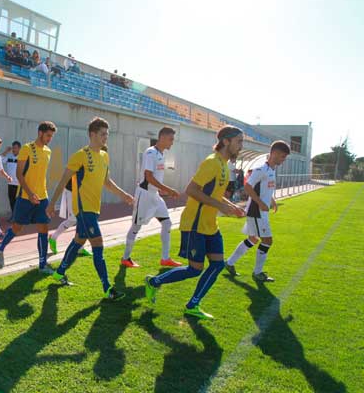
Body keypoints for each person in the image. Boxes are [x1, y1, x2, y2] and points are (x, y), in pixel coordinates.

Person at [145, 126, 246, 320]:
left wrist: (231, 206)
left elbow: (213, 194)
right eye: (239, 141)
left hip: (209, 224)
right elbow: (191, 190)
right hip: (195, 224)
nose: (241, 146)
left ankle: (193, 304)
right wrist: (220, 205)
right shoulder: (212, 163)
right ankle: (154, 282)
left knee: (217, 265)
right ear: (226, 141)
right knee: (194, 269)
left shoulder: (225, 164)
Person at [47, 117, 134, 301]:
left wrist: (124, 195)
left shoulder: (104, 155)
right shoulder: (80, 155)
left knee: (79, 240)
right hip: (82, 209)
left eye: (107, 134)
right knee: (98, 246)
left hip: (94, 209)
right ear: (92, 134)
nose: (105, 137)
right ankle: (107, 288)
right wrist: (51, 203)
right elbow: (63, 180)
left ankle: (59, 272)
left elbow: (107, 182)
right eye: (102, 134)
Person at [0, 122, 57, 272]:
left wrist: (45, 198)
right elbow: (19, 174)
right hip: (25, 197)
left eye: (51, 136)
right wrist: (30, 193)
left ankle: (42, 265)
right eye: (48, 135)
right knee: (17, 227)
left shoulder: (48, 151)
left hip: (42, 197)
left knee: (43, 228)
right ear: (40, 133)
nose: (50, 139)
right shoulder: (27, 149)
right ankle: (0, 247)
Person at [225, 140, 291, 282]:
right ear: (274, 153)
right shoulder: (261, 169)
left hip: (261, 211)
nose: (283, 160)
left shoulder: (272, 170)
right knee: (267, 240)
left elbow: (265, 188)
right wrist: (261, 203)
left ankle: (229, 263)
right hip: (256, 211)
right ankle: (257, 273)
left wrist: (271, 201)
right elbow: (248, 187)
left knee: (253, 239)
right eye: (282, 157)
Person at [121, 126, 182, 268]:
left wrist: (162, 191)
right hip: (144, 196)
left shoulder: (161, 154)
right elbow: (148, 177)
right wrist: (168, 189)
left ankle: (165, 258)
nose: (172, 142)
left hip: (155, 196)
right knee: (136, 227)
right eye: (170, 139)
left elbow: (155, 178)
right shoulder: (150, 153)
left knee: (167, 223)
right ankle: (125, 258)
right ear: (162, 138)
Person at [47, 177, 92, 258]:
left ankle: (80, 247)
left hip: (82, 191)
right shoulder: (74, 164)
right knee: (72, 220)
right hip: (71, 191)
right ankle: (53, 237)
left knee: (82, 219)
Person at [1, 141, 21, 219]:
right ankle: (14, 216)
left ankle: (18, 217)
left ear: (19, 148)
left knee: (18, 202)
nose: (14, 149)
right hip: (11, 183)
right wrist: (6, 151)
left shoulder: (22, 157)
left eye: (15, 148)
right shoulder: (9, 156)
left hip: (19, 184)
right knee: (12, 201)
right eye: (13, 148)